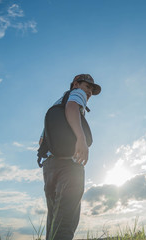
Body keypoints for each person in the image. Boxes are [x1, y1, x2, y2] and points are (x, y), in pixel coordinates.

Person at [39, 74, 101, 240]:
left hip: (50, 166)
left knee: (54, 221)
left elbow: (42, 140)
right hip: (69, 165)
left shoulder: (57, 104)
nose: (88, 92)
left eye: (91, 90)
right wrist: (81, 138)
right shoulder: (76, 94)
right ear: (76, 84)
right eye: (87, 87)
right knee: (66, 220)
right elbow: (73, 107)